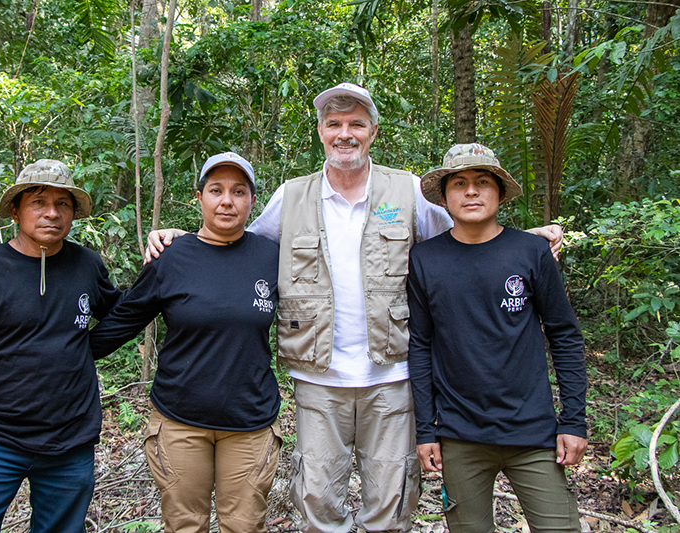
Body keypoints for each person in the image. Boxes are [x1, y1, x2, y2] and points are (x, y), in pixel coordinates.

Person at [144, 83, 562, 533]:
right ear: (321, 132)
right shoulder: (293, 196)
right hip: (318, 381)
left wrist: (526, 241)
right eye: (335, 124)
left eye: (356, 124)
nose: (345, 134)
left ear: (373, 132)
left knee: (390, 504)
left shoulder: (406, 191)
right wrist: (182, 240)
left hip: (392, 377)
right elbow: (235, 243)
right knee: (319, 504)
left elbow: (466, 235)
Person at [89, 152, 281, 533]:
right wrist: (60, 354)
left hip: (250, 422)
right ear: (199, 198)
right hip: (179, 424)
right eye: (216, 190)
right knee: (185, 526)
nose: (227, 200)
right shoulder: (171, 257)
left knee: (244, 526)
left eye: (238, 191)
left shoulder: (271, 256)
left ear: (252, 201)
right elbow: (124, 319)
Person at [0, 159, 122, 533]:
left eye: (62, 204)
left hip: (70, 444)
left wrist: (167, 263)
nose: (51, 213)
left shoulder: (86, 265)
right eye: (38, 202)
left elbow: (122, 313)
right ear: (16, 210)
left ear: (72, 214)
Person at [408, 143, 586, 533]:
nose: (471, 191)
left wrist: (574, 421)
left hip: (534, 433)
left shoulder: (530, 251)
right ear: (444, 196)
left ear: (500, 193)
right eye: (460, 183)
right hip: (459, 435)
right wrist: (426, 430)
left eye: (483, 182)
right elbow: (420, 345)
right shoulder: (424, 259)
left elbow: (564, 335)